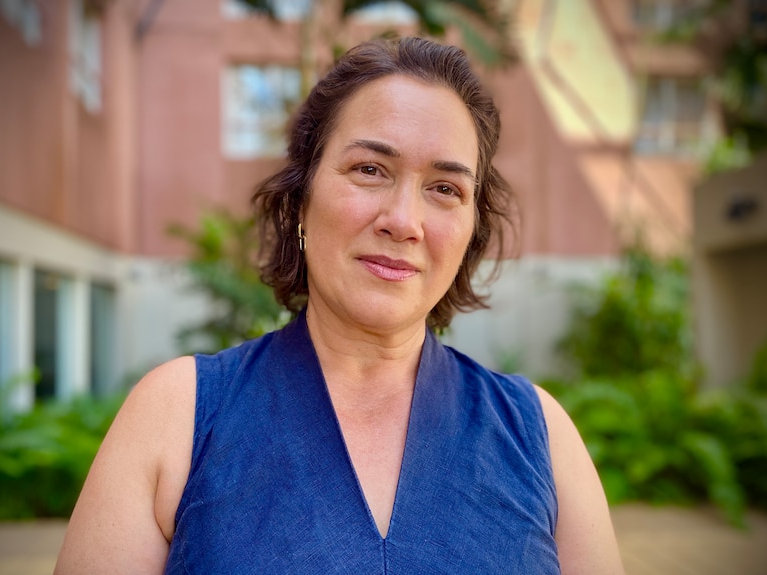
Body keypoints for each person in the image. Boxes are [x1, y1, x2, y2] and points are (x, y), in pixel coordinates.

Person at [55, 37, 624, 574]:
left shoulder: (539, 434)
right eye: (370, 170)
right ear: (301, 200)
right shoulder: (175, 416)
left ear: (471, 230)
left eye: (446, 188)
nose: (404, 221)